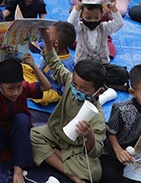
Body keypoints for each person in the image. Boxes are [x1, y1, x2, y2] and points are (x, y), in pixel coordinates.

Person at [30, 52, 107, 183]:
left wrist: (89, 135)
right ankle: (74, 177)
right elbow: (55, 63)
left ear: (99, 91)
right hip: (55, 133)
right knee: (34, 135)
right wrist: (47, 40)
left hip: (74, 149)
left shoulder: (97, 117)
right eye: (75, 84)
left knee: (94, 173)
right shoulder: (69, 83)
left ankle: (52, 152)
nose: (77, 90)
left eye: (84, 89)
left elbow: (95, 152)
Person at [0, 54, 50, 183]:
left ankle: (18, 169)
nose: (15, 92)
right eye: (10, 89)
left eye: (18, 87)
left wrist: (33, 65)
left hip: (18, 134)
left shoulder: (24, 89)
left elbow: (46, 86)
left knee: (22, 119)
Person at [69, 0, 129, 90]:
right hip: (84, 67)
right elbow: (70, 23)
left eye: (96, 18)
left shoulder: (105, 27)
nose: (92, 21)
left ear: (101, 16)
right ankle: (105, 85)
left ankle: (96, 84)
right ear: (81, 16)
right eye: (88, 18)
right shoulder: (79, 28)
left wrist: (113, 8)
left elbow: (119, 24)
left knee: (122, 73)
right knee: (80, 75)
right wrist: (78, 6)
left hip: (102, 66)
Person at [23, 21, 76, 105]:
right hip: (39, 76)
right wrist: (26, 35)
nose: (44, 37)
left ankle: (28, 88)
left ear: (56, 43)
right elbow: (34, 48)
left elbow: (66, 89)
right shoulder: (49, 46)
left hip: (52, 90)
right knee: (22, 67)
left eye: (48, 34)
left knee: (44, 97)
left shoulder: (67, 65)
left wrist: (33, 65)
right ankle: (29, 87)